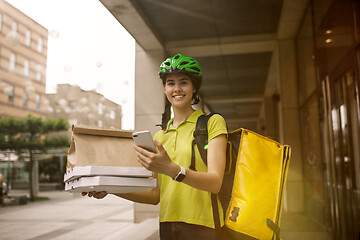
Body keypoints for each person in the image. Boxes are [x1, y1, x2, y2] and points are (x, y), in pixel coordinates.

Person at [83, 53, 228, 239]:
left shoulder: (212, 122)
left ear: (194, 88)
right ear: (164, 88)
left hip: (205, 226)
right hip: (168, 226)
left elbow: (215, 183)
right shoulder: (160, 136)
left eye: (184, 82)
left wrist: (172, 169)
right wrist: (110, 188)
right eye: (171, 83)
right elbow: (154, 195)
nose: (177, 89)